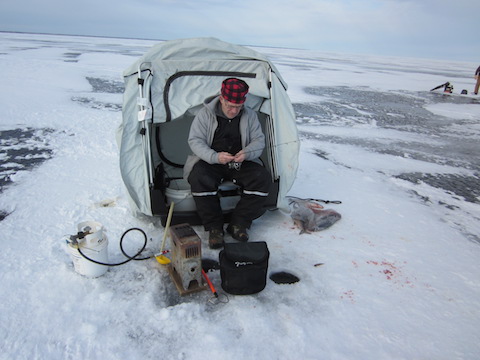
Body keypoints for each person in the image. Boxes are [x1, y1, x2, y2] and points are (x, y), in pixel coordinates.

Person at [184, 78, 271, 249]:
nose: (233, 111)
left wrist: (246, 153)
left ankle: (239, 223)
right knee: (199, 177)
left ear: (243, 102)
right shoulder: (205, 114)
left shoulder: (250, 115)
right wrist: (215, 156)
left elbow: (259, 141)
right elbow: (195, 141)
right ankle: (214, 228)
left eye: (237, 107)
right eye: (229, 106)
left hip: (239, 161)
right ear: (222, 98)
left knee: (261, 178)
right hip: (212, 161)